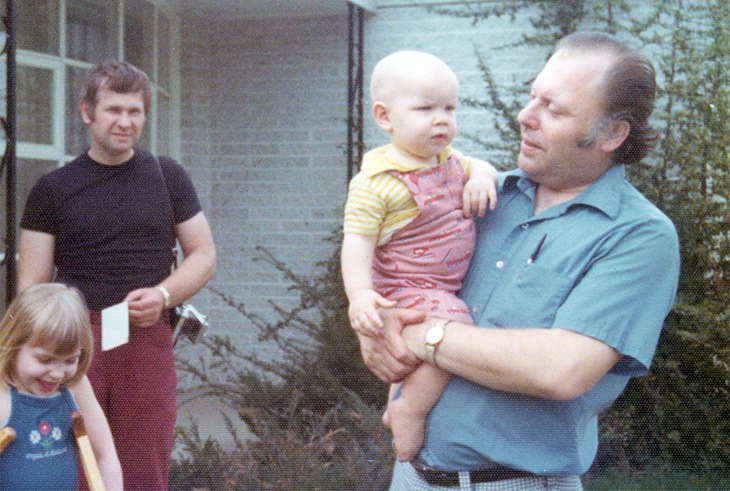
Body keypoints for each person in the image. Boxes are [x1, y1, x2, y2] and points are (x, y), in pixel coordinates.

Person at [357, 32, 681, 491]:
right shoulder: (479, 198)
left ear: (612, 134)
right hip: (411, 477)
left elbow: (561, 370)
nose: (525, 117)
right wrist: (374, 326)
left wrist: (421, 333)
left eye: (555, 109)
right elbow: (396, 275)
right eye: (533, 97)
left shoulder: (638, 236)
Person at [17, 60, 216, 490]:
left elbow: (203, 254)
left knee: (145, 469)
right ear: (87, 111)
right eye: (113, 110)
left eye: (135, 112)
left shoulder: (168, 177)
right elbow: (30, 290)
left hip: (144, 335)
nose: (125, 122)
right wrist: (42, 353)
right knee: (75, 465)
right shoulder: (52, 189)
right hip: (73, 344)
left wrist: (163, 295)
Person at [342, 50, 498, 462]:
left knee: (418, 349)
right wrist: (359, 295)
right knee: (454, 328)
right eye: (426, 108)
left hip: (440, 284)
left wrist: (481, 177)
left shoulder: (450, 160)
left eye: (449, 107)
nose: (442, 118)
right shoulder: (376, 182)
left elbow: (482, 163)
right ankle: (411, 410)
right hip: (404, 286)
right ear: (384, 116)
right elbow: (357, 242)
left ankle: (400, 399)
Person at [0, 283, 123, 491]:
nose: (57, 373)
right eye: (45, 359)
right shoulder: (3, 394)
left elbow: (104, 453)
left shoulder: (75, 387)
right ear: (13, 345)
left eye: (69, 361)